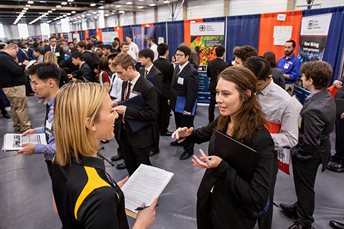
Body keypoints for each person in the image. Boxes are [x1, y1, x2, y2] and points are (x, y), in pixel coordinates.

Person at [172, 66, 274, 228]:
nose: (218, 99)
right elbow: (201, 134)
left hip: (233, 215)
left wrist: (221, 166)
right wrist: (186, 135)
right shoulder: (224, 119)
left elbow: (257, 198)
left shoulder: (260, 139)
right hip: (209, 200)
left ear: (246, 95)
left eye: (226, 94)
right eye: (218, 93)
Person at [51, 82, 157, 228]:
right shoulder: (100, 196)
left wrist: (112, 190)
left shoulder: (59, 159)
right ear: (91, 124)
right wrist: (142, 224)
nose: (116, 115)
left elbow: (59, 206)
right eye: (110, 111)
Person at [280, 61, 336, 229]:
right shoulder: (325, 96)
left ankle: (304, 221)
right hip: (321, 149)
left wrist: (296, 153)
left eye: (304, 76)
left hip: (310, 155)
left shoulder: (314, 109)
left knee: (304, 187)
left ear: (310, 80)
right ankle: (300, 208)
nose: (302, 78)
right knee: (305, 185)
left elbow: (310, 143)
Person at [244, 56, 299, 229]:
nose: (252, 89)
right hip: (242, 150)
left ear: (268, 78)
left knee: (264, 198)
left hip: (266, 156)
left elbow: (291, 138)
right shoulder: (247, 88)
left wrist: (260, 140)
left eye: (257, 85)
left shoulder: (286, 102)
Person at [112, 52, 158, 175]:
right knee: (130, 167)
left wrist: (127, 111)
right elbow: (130, 101)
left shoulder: (148, 87)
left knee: (143, 170)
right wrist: (118, 104)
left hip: (140, 137)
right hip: (125, 134)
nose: (118, 76)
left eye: (120, 72)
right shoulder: (125, 83)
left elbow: (152, 114)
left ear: (130, 68)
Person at [18, 63, 60, 176]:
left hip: (60, 163)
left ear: (51, 83)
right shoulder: (53, 104)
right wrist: (36, 131)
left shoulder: (60, 109)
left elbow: (62, 147)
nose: (33, 88)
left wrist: (35, 148)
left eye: (36, 83)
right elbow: (53, 129)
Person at [171, 45, 199, 160]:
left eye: (180, 55)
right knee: (179, 124)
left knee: (187, 127)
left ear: (187, 57)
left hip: (185, 105)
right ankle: (180, 141)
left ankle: (189, 149)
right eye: (176, 54)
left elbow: (192, 93)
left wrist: (188, 109)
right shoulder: (177, 67)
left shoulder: (192, 72)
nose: (177, 57)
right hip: (176, 104)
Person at [0, 43, 31, 132]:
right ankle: (26, 128)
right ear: (12, 49)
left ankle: (17, 125)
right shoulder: (4, 57)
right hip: (14, 87)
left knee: (15, 107)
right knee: (21, 108)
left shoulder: (4, 57)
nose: (16, 54)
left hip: (11, 87)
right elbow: (17, 70)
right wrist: (24, 65)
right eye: (16, 52)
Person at [138, 49, 164, 157]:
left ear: (148, 58)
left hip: (153, 104)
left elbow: (159, 91)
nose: (139, 60)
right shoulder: (141, 70)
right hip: (142, 103)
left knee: (154, 127)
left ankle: (155, 147)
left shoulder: (157, 73)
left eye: (141, 58)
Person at [154, 43, 174, 136]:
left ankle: (157, 128)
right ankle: (164, 130)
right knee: (165, 111)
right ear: (167, 52)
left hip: (156, 91)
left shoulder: (154, 63)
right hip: (166, 91)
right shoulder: (169, 64)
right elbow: (171, 79)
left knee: (157, 109)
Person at [207, 45, 230, 123]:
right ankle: (222, 121)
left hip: (213, 85)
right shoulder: (226, 65)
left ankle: (210, 121)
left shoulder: (210, 63)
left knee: (212, 104)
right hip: (223, 87)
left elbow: (208, 74)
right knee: (224, 104)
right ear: (223, 53)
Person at [328, 79, 344, 172]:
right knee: (340, 136)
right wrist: (336, 82)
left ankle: (343, 163)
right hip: (340, 108)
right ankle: (339, 155)